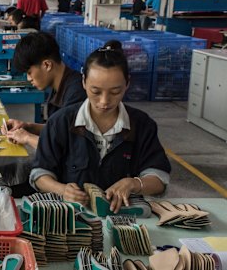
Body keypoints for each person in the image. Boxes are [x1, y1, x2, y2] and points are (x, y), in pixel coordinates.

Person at [30, 44, 171, 213]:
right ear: (83, 82)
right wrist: (62, 190)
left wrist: (134, 184)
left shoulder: (141, 125)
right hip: (73, 216)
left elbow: (159, 179)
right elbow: (39, 174)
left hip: (123, 217)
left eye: (115, 92)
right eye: (95, 91)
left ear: (127, 84)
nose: (104, 101)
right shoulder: (60, 122)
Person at [1, 32, 85, 148]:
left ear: (47, 65)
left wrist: (27, 138)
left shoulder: (77, 93)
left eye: (29, 72)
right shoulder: (60, 85)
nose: (28, 78)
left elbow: (64, 147)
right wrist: (28, 126)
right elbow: (58, 130)